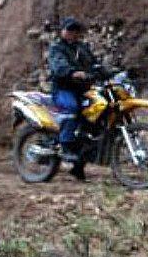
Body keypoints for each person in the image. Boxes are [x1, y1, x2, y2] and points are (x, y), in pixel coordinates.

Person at [47, 16, 109, 180]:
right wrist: (72, 72)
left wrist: (109, 72)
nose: (73, 33)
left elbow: (95, 64)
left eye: (75, 30)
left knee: (94, 120)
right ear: (63, 31)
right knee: (73, 108)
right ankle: (65, 143)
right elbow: (58, 66)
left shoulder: (82, 48)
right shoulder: (57, 48)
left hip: (83, 90)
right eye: (69, 29)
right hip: (63, 89)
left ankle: (78, 166)